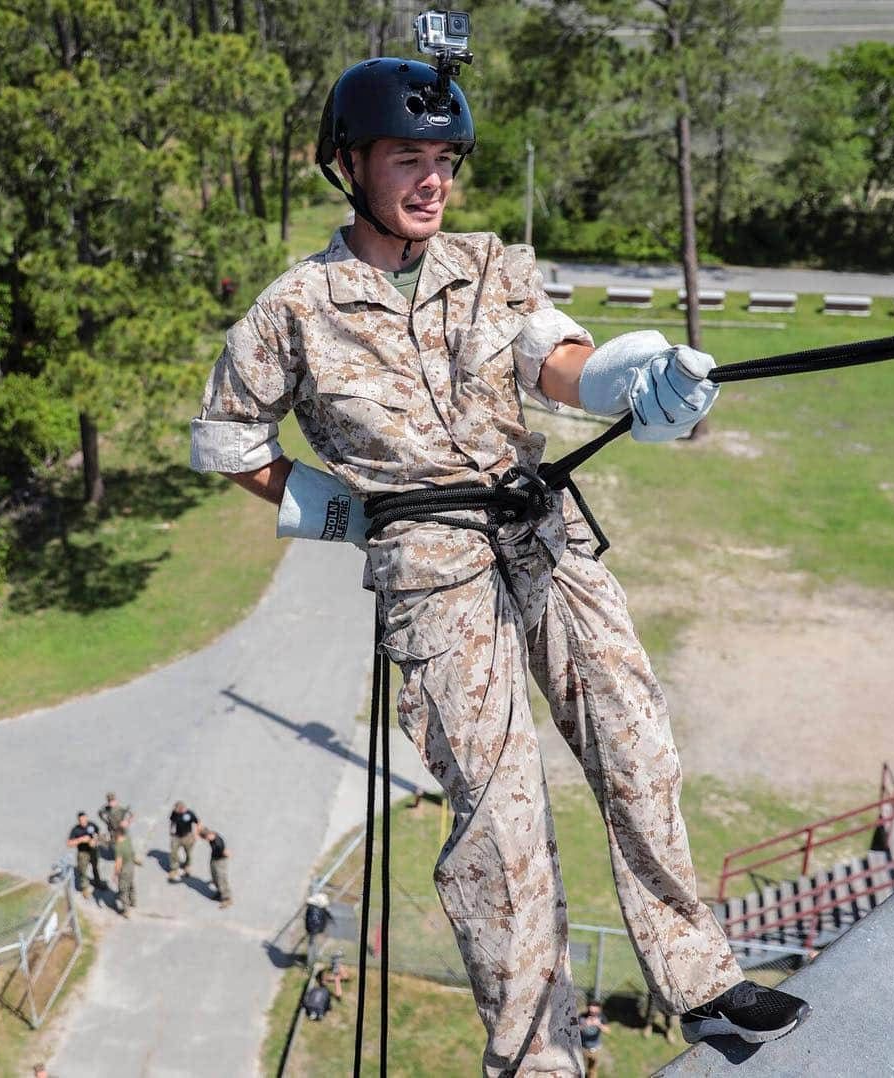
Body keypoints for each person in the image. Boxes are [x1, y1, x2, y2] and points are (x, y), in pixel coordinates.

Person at [190, 55, 810, 1072]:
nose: (431, 180)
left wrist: (629, 383)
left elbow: (555, 357)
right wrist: (336, 511)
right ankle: (540, 1057)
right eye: (407, 158)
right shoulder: (294, 308)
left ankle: (699, 979)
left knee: (638, 743)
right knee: (500, 824)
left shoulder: (488, 265)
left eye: (445, 159)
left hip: (542, 535)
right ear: (350, 163)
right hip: (432, 576)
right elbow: (226, 440)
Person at [66, 811, 104, 897]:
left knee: (95, 868)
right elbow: (69, 843)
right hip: (83, 853)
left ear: (87, 818)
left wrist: (95, 840)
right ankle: (84, 888)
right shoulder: (76, 829)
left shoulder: (92, 825)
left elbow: (99, 834)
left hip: (93, 850)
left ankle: (98, 882)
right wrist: (81, 840)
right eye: (81, 820)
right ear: (78, 821)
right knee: (82, 870)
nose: (83, 822)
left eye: (84, 819)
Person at [200, 825, 232, 908]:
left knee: (221, 878)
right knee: (214, 877)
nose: (206, 840)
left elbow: (225, 852)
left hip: (220, 861)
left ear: (209, 835)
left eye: (206, 838)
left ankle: (227, 898)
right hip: (214, 858)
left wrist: (227, 854)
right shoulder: (211, 834)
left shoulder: (218, 843)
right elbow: (201, 828)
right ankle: (219, 891)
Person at [168, 800, 199, 880]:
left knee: (188, 852)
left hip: (187, 836)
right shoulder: (174, 813)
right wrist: (171, 830)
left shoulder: (189, 814)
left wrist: (195, 834)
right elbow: (172, 821)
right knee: (173, 852)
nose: (175, 810)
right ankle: (174, 868)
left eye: (176, 809)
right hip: (176, 836)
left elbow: (197, 822)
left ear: (181, 808)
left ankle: (187, 866)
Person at [579, 1000, 610, 1077]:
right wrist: (584, 1024)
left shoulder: (602, 1017)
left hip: (595, 1049)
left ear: (599, 1010)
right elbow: (574, 1031)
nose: (592, 1014)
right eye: (590, 1011)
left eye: (595, 1012)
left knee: (592, 1070)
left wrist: (599, 1024)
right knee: (579, 1069)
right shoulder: (582, 1016)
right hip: (582, 1047)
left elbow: (608, 1031)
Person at [112, 820, 136, 917]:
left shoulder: (118, 847)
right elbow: (126, 830)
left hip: (124, 869)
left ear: (117, 835)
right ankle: (133, 901)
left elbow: (118, 862)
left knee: (123, 888)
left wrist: (115, 874)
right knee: (131, 884)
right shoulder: (128, 839)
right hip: (131, 866)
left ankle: (126, 910)